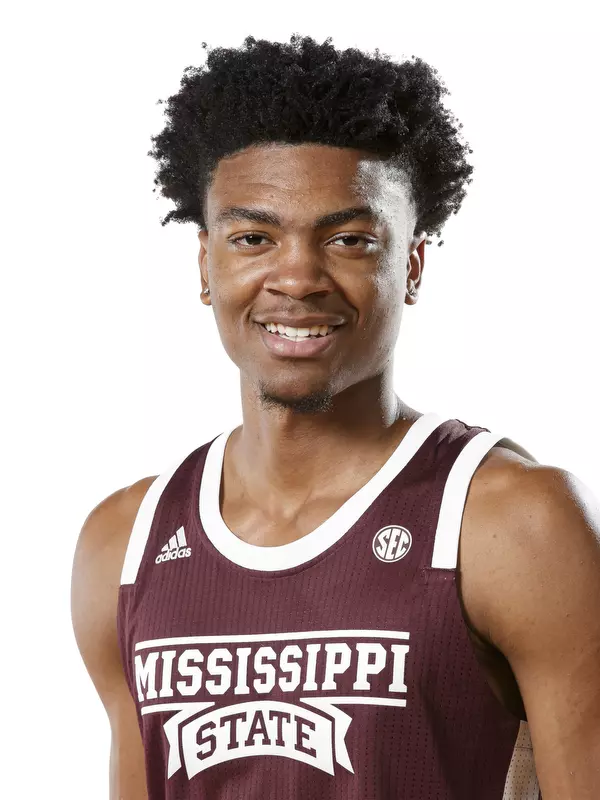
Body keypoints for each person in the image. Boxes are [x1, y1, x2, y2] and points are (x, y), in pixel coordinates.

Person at [71, 34, 600, 800]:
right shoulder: (125, 543)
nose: (297, 277)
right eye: (254, 238)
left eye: (349, 240)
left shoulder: (513, 522)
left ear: (411, 266)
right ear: (205, 263)